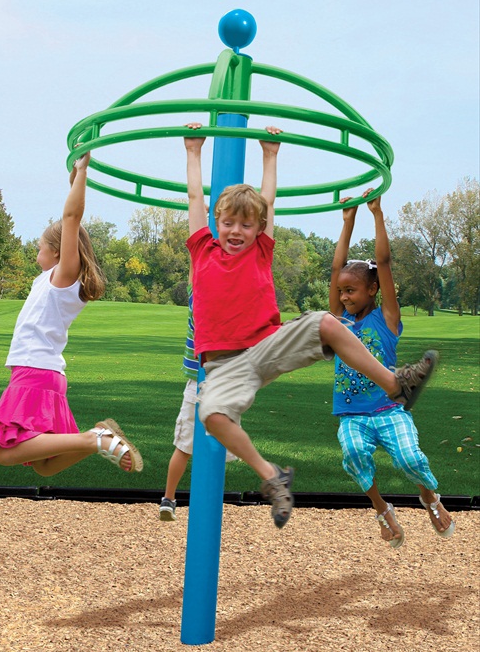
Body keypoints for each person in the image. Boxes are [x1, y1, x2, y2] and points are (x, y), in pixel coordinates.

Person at [184, 122, 438, 530]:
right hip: (224, 365)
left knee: (327, 321)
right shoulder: (202, 250)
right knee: (211, 413)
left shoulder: (260, 251)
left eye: (247, 225)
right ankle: (274, 479)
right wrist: (193, 151)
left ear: (258, 229)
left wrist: (271, 154)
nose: (237, 232)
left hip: (267, 344)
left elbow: (268, 199)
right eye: (229, 223)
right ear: (217, 221)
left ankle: (396, 384)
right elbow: (196, 195)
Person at [0, 152, 143, 477]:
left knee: (2, 450)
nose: (36, 252)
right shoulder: (49, 280)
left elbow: (71, 218)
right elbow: (70, 222)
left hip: (35, 372)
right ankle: (96, 438)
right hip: (45, 375)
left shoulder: (63, 279)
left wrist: (82, 172)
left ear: (57, 251)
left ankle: (94, 439)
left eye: (40, 247)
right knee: (44, 467)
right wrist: (73, 181)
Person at [329, 189, 455, 546]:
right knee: (353, 455)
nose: (343, 297)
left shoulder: (387, 319)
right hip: (352, 414)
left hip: (388, 408)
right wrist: (347, 221)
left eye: (351, 291)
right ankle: (382, 509)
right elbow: (337, 268)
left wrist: (376, 214)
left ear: (372, 290)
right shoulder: (340, 322)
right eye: (341, 292)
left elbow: (383, 264)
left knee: (411, 458)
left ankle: (429, 497)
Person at [159, 269, 236, 522]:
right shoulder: (231, 307)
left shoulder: (199, 298)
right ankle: (207, 499)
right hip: (224, 387)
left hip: (200, 385)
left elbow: (196, 268)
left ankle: (169, 498)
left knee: (183, 447)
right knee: (218, 448)